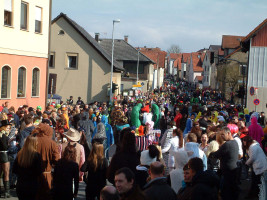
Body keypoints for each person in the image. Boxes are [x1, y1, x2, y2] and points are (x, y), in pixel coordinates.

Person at [209, 126, 239, 200]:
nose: (221, 136)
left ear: (228, 133)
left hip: (228, 172)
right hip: (233, 170)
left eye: (223, 134)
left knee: (227, 192)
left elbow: (215, 155)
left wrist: (210, 153)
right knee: (232, 190)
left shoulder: (227, 144)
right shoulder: (235, 142)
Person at [32, 123, 60, 200]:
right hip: (46, 175)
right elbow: (56, 160)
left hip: (33, 175)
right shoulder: (52, 143)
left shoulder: (33, 141)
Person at [13, 135, 43, 200]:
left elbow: (14, 170)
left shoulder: (20, 154)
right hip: (32, 185)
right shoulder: (36, 155)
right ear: (34, 143)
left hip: (21, 184)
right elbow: (39, 171)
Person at [0, 119, 11, 198]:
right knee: (6, 173)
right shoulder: (4, 136)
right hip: (4, 154)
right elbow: (5, 146)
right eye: (7, 128)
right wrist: (9, 143)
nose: (9, 129)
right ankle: (7, 192)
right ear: (3, 128)